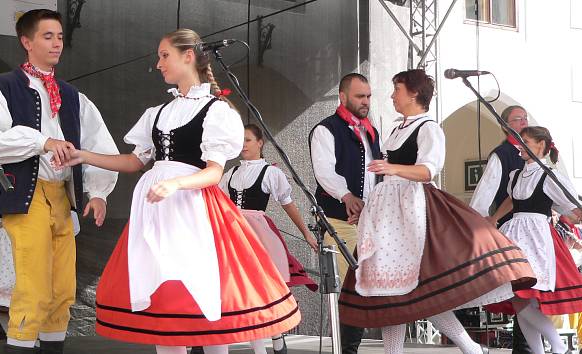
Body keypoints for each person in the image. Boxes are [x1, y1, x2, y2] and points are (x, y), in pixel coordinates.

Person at [56, 29, 300, 354]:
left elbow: (214, 172)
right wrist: (85, 155)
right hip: (156, 215)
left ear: (188, 56)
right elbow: (133, 161)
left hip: (195, 212)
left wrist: (176, 183)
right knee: (165, 308)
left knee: (207, 303)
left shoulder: (216, 111)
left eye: (164, 55)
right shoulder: (159, 113)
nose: (158, 63)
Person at [338, 69, 536, 354]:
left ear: (414, 93)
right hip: (389, 215)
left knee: (420, 293)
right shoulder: (396, 129)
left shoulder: (428, 127)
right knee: (391, 297)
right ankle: (468, 349)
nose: (393, 95)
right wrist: (370, 210)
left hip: (413, 213)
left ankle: (470, 347)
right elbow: (388, 181)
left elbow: (428, 170)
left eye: (397, 89)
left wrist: (392, 169)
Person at [0, 9, 119, 354]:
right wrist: (41, 142)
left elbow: (100, 144)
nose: (56, 43)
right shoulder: (3, 87)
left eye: (60, 37)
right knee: (35, 286)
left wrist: (98, 193)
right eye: (47, 36)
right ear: (27, 41)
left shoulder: (72, 96)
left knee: (63, 289)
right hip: (29, 195)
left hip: (62, 197)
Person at [219, 123, 318, 354]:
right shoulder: (230, 173)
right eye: (240, 140)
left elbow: (288, 204)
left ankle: (275, 334)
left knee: (265, 287)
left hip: (258, 234)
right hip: (233, 232)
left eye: (248, 140)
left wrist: (306, 232)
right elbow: (218, 202)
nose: (243, 145)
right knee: (242, 289)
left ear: (260, 143)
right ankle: (263, 343)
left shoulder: (270, 172)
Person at [487, 126, 582, 354]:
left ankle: (558, 347)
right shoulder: (517, 174)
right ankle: (545, 351)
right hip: (515, 232)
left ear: (541, 145)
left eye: (526, 141)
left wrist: (577, 213)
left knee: (523, 296)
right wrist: (495, 218)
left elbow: (569, 204)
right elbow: (511, 199)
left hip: (536, 236)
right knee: (517, 297)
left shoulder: (550, 176)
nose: (520, 144)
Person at [308, 73, 382, 354]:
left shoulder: (370, 131)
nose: (365, 102)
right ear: (342, 96)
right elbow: (325, 171)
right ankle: (346, 349)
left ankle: (351, 348)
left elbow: (374, 175)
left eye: (369, 96)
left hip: (366, 219)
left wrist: (370, 209)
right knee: (352, 286)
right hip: (338, 219)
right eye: (359, 96)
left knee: (367, 286)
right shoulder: (326, 129)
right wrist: (347, 196)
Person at [468, 105, 532, 353]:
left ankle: (526, 345)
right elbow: (485, 193)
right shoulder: (502, 155)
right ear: (506, 126)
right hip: (513, 229)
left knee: (531, 291)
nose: (524, 122)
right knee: (522, 288)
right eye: (518, 119)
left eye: (526, 118)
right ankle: (523, 346)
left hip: (536, 231)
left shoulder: (536, 154)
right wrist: (480, 221)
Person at [0, 213, 80, 332]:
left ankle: (27, 340)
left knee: (30, 305)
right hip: (8, 246)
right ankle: (22, 340)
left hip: (29, 246)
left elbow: (69, 226)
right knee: (16, 308)